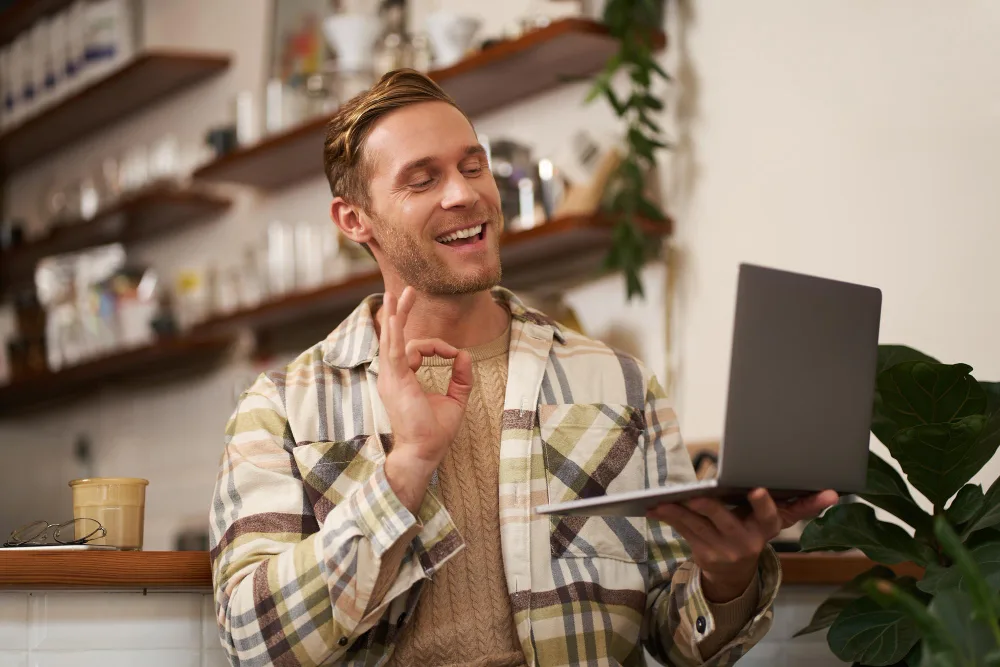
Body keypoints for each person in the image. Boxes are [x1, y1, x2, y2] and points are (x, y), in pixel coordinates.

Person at [208, 69, 837, 667]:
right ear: (355, 220)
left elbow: (676, 641)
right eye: (422, 180)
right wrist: (407, 467)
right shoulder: (282, 406)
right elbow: (252, 641)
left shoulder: (618, 384)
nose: (465, 193)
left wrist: (727, 573)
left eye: (472, 166)